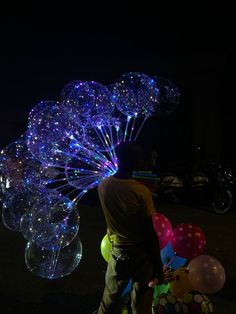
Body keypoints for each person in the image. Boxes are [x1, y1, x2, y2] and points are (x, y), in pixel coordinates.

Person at [95, 142, 164, 314]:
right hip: (142, 254)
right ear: (134, 161)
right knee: (141, 304)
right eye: (139, 157)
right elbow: (149, 232)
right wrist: (158, 263)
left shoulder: (103, 186)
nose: (142, 160)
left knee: (109, 300)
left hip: (118, 252)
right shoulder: (141, 191)